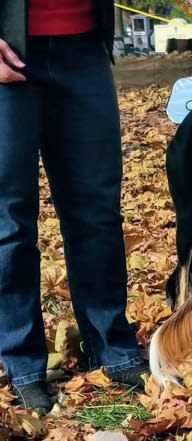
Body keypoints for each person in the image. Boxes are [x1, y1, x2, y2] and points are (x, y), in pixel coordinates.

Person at [0, 0, 150, 415]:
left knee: (97, 212)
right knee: (10, 221)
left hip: (83, 48)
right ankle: (22, 364)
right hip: (9, 50)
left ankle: (112, 346)